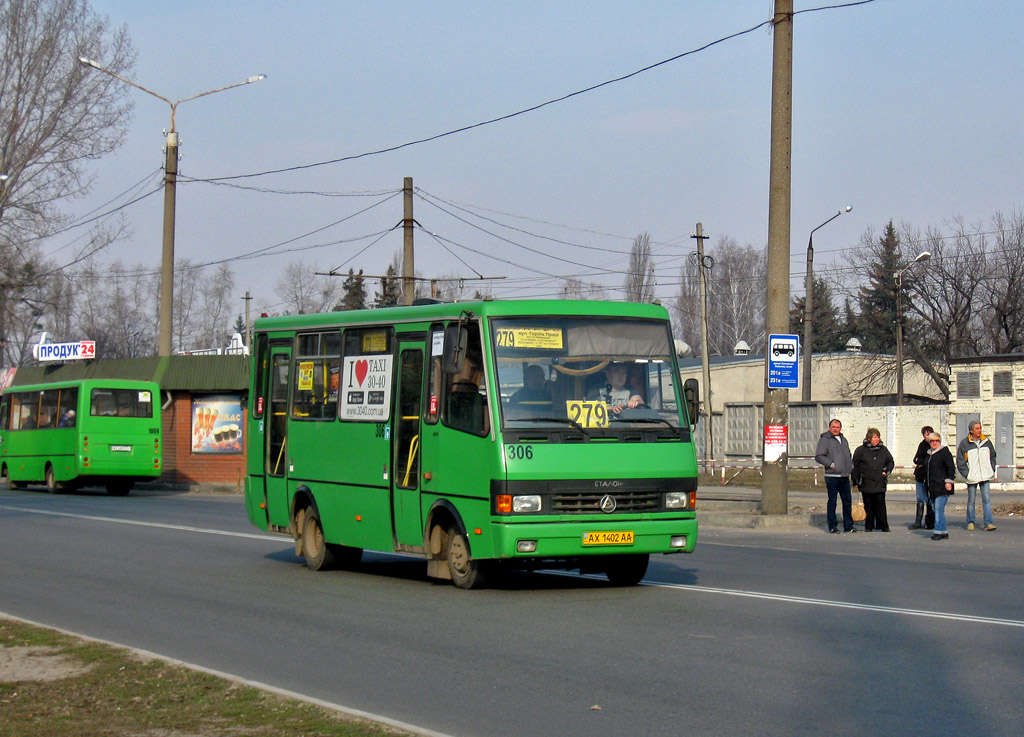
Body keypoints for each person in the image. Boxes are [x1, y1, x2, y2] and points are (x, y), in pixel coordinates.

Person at [814, 418, 856, 533]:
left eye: (837, 427)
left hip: (844, 476)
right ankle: (832, 526)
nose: (835, 429)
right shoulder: (825, 439)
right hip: (832, 476)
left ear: (840, 428)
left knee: (847, 501)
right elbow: (819, 456)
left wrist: (851, 465)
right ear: (829, 428)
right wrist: (831, 464)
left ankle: (849, 526)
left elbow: (848, 454)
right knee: (832, 501)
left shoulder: (843, 440)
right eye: (833, 427)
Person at [956, 420, 997, 532]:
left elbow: (993, 456)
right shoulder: (964, 444)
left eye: (980, 428)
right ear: (971, 431)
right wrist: (967, 474)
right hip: (972, 477)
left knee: (987, 500)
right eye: (977, 428)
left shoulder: (987, 441)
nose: (980, 430)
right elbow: (960, 461)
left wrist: (991, 469)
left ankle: (988, 523)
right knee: (971, 501)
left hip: (985, 476)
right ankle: (970, 522)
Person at [852, 427, 895, 532]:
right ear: (869, 438)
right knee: (869, 505)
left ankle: (884, 526)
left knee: (880, 505)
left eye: (878, 437)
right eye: (874, 437)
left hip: (880, 482)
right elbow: (855, 466)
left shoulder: (883, 449)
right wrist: (855, 480)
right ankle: (869, 526)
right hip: (866, 482)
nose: (876, 439)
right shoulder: (861, 450)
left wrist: (886, 471)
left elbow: (890, 462)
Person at [924, 432, 956, 540]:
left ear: (939, 441)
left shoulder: (944, 452)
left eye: (936, 441)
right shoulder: (929, 454)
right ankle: (943, 531)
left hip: (942, 486)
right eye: (932, 441)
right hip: (932, 487)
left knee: (938, 509)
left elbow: (950, 468)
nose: (934, 443)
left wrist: (949, 482)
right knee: (936, 509)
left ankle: (937, 531)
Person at [911, 425, 937, 530]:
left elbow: (932, 460)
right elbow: (916, 459)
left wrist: (923, 462)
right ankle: (918, 522)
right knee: (919, 498)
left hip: (930, 477)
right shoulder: (921, 445)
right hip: (920, 475)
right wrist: (921, 462)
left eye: (929, 434)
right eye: (926, 434)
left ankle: (929, 522)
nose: (927, 436)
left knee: (929, 499)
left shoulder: (934, 446)